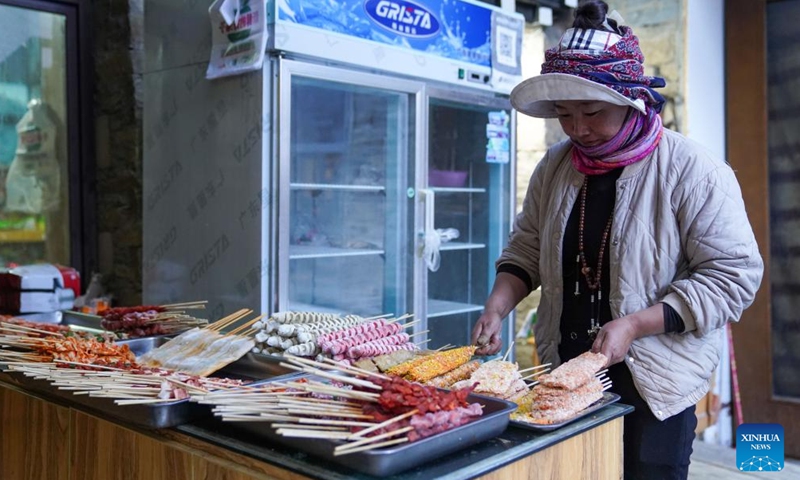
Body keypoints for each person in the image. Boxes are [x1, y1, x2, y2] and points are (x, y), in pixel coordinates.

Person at [470, 2, 764, 479]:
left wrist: (635, 325)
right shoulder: (556, 167)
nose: (578, 128)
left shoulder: (693, 171)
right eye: (564, 114)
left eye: (592, 111)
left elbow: (733, 278)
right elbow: (526, 248)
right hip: (567, 374)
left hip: (655, 383)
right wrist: (497, 306)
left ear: (631, 100)